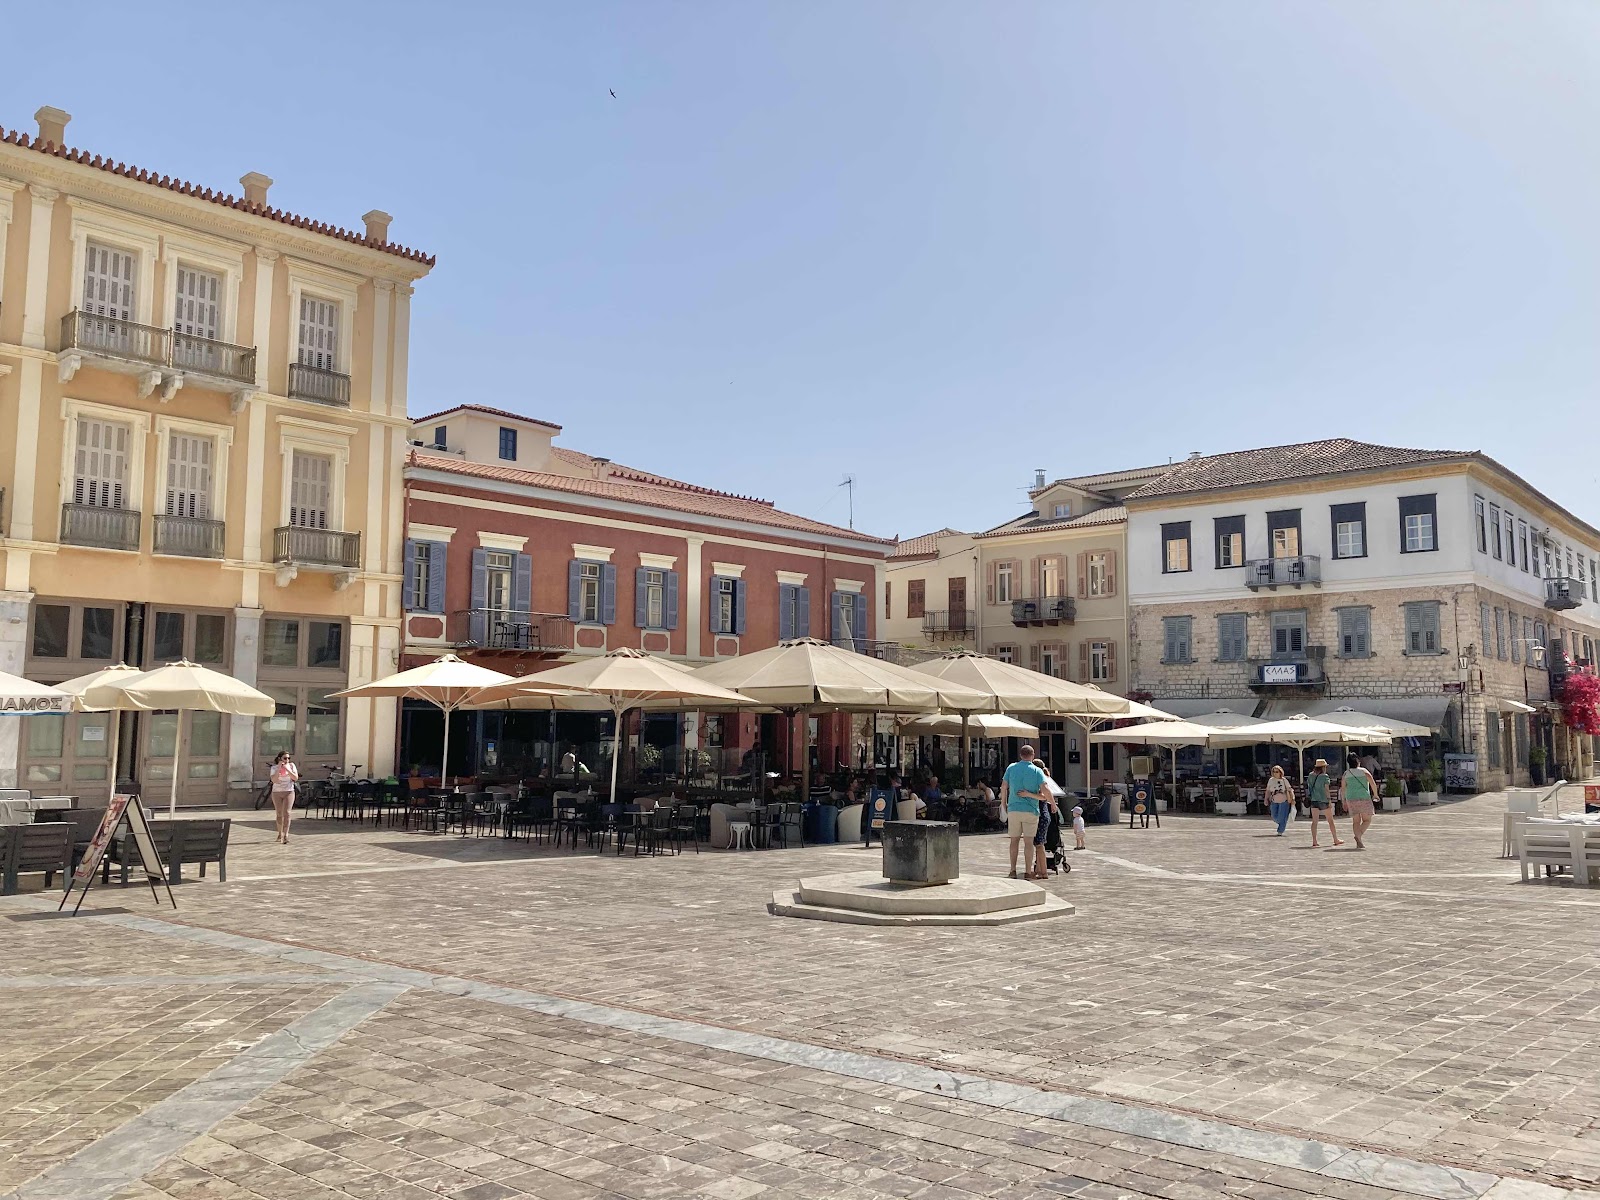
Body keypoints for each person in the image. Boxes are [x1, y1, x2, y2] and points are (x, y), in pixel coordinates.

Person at [1001, 745, 1047, 879]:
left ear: (1020, 755)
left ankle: (1012, 870)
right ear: (1032, 756)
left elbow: (1004, 786)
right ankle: (1027, 871)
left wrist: (1004, 804)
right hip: (1030, 810)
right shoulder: (1037, 770)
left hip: (1014, 808)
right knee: (1028, 842)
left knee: (1014, 841)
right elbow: (1044, 789)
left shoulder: (1011, 768)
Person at [1341, 752, 1378, 849]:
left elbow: (1343, 788)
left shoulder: (1346, 773)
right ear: (1357, 761)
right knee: (1367, 820)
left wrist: (1343, 801)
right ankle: (1358, 836)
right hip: (1364, 797)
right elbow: (1372, 783)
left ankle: (1359, 840)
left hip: (1351, 798)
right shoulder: (1364, 771)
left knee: (1356, 821)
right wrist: (1375, 794)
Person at [1305, 758, 1342, 848]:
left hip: (1314, 800)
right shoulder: (1325, 777)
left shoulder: (1310, 775)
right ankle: (1335, 839)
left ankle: (1314, 841)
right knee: (1330, 821)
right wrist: (1329, 800)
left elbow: (1309, 786)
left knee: (1314, 821)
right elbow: (1326, 789)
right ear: (1323, 767)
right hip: (1323, 800)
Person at [268, 750, 299, 845]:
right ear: (279, 759)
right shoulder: (274, 768)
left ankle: (286, 835)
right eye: (285, 758)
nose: (287, 760)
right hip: (277, 792)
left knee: (287, 813)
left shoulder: (291, 766)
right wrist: (279, 768)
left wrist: (287, 769)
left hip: (289, 791)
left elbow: (295, 778)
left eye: (288, 758)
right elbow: (274, 780)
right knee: (279, 813)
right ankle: (279, 833)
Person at [1264, 765, 1293, 836]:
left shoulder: (1284, 780)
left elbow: (1289, 789)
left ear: (1280, 772)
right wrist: (1266, 799)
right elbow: (1268, 790)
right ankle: (1281, 823)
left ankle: (1280, 830)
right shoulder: (1271, 780)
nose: (1275, 773)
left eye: (1277, 772)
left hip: (1284, 800)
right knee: (1274, 816)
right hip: (1274, 800)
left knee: (1282, 816)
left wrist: (1292, 798)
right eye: (1274, 772)